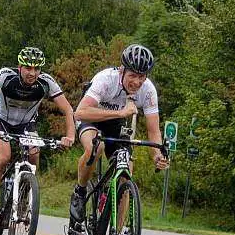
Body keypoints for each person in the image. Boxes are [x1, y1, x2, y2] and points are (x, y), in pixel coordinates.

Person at [0, 46, 76, 234]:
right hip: (1, 122)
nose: (32, 73)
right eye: (28, 68)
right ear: (20, 67)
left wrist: (70, 136)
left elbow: (68, 110)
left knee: (34, 154)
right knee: (3, 157)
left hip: (26, 125)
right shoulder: (6, 76)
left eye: (37, 69)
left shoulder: (46, 82)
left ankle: (23, 197)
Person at [69, 43, 170, 223]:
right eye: (132, 75)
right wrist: (120, 112)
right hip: (92, 117)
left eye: (141, 77)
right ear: (122, 70)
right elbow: (80, 112)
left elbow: (153, 130)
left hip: (118, 124)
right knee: (96, 146)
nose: (137, 82)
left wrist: (157, 154)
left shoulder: (148, 91)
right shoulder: (106, 79)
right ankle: (80, 191)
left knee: (126, 172)